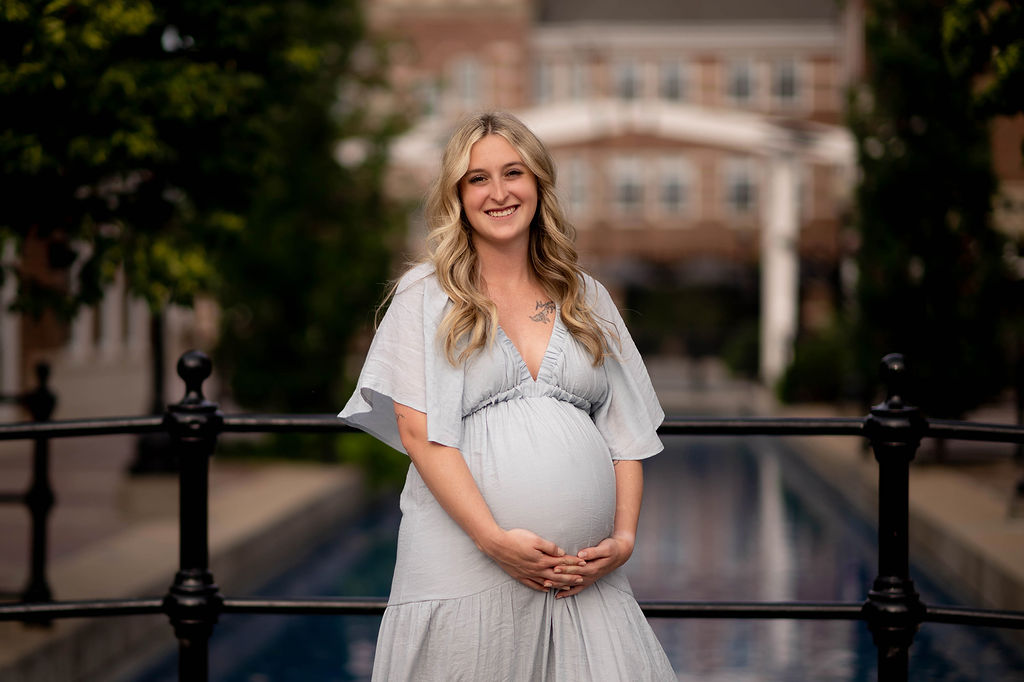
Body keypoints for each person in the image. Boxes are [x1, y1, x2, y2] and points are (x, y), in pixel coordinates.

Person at [339, 111, 674, 681]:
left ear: (538, 184)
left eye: (513, 173)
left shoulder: (585, 296)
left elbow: (627, 432)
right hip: (466, 569)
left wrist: (622, 539)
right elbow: (419, 432)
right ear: (458, 195)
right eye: (478, 178)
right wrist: (494, 540)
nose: (498, 193)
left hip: (584, 583)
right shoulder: (425, 295)